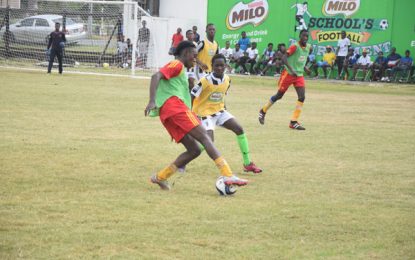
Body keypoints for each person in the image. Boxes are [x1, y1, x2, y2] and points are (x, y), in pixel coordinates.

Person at [144, 41, 248, 190]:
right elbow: (156, 76)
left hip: (168, 113)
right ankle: (227, 174)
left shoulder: (182, 71)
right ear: (186, 53)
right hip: (175, 108)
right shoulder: (177, 64)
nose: (195, 59)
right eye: (194, 56)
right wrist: (151, 100)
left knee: (195, 150)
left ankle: (160, 177)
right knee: (205, 137)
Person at [189, 54, 262, 173]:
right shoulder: (205, 81)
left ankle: (248, 163)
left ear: (225, 66)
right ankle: (186, 158)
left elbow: (222, 94)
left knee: (239, 129)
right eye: (216, 65)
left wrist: (224, 108)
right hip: (205, 114)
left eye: (221, 65)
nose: (219, 68)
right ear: (212, 66)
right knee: (208, 142)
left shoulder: (227, 79)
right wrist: (191, 112)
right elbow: (192, 94)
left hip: (219, 111)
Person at [258, 29, 312, 130]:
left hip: (299, 75)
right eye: (303, 36)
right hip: (288, 74)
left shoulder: (308, 47)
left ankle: (293, 121)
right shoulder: (295, 46)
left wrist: (305, 68)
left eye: (307, 36)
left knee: (302, 97)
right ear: (300, 36)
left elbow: (300, 59)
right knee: (279, 95)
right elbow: (284, 58)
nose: (305, 38)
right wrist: (292, 70)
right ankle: (263, 111)